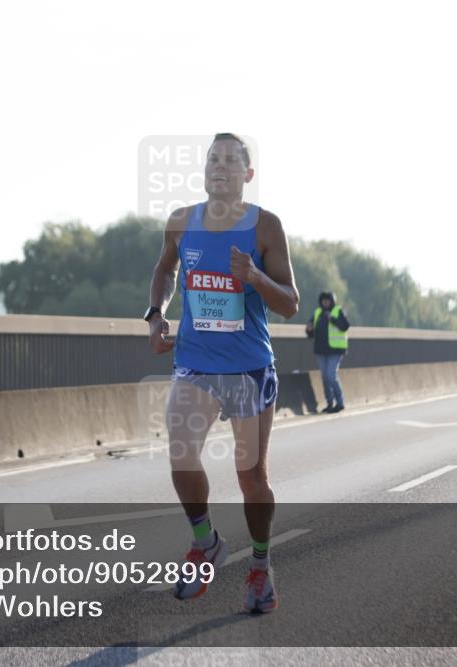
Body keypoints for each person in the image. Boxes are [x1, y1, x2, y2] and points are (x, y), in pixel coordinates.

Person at [145, 133, 299, 614]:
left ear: (247, 175)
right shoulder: (181, 222)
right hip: (194, 363)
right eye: (214, 158)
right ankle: (204, 541)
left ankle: (259, 564)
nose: (221, 166)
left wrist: (254, 276)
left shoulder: (266, 227)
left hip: (249, 368)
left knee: (251, 477)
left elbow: (290, 304)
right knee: (181, 454)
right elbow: (165, 270)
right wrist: (155, 312)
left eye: (232, 160)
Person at [305, 291, 349, 413]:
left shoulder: (338, 311)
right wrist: (309, 329)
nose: (325, 302)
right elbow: (311, 331)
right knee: (325, 378)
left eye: (327, 300)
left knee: (331, 375)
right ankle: (330, 403)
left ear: (332, 301)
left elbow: (345, 326)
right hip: (321, 351)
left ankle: (340, 402)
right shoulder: (317, 313)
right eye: (323, 300)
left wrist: (332, 319)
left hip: (335, 350)